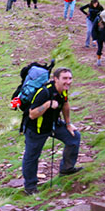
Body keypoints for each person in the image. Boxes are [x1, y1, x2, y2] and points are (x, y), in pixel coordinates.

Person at [22, 67, 82, 195]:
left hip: (53, 125)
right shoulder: (44, 92)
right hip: (36, 130)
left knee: (74, 137)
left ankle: (67, 168)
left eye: (70, 78)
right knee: (31, 157)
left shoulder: (63, 90)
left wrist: (68, 124)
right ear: (55, 79)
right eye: (65, 78)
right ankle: (30, 187)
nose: (68, 81)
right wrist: (48, 104)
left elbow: (65, 105)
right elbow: (32, 114)